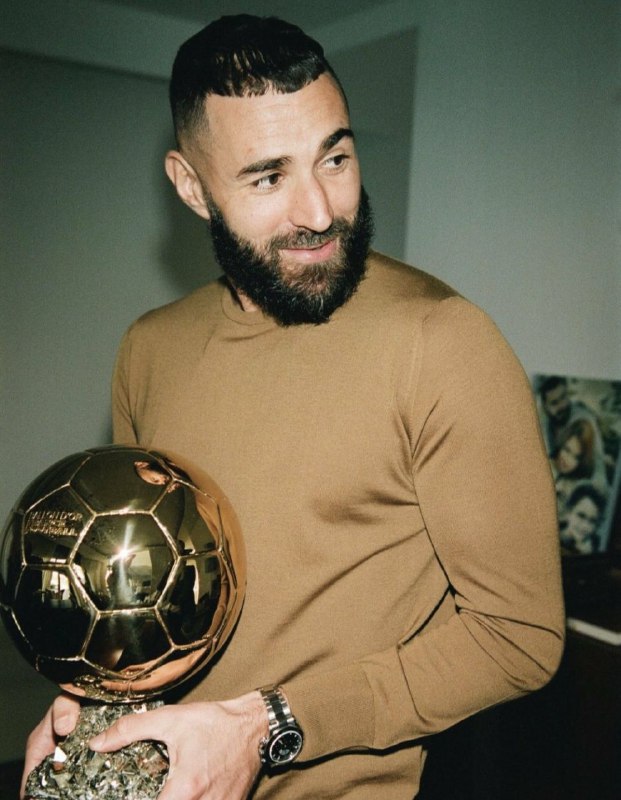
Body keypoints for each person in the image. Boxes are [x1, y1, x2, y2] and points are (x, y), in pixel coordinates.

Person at [22, 14, 565, 800]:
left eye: (334, 158)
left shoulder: (442, 342)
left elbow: (516, 638)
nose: (317, 211)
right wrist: (88, 716)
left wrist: (265, 725)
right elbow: (136, 593)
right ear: (191, 186)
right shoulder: (148, 347)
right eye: (267, 177)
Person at [559, 483, 606, 555]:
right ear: (568, 511)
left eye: (592, 521)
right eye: (581, 516)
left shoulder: (599, 546)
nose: (585, 526)